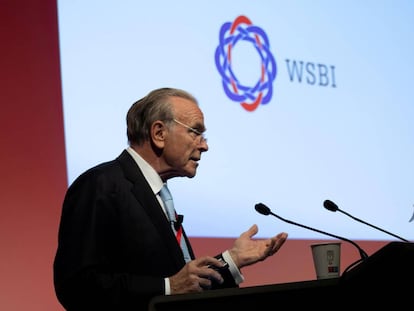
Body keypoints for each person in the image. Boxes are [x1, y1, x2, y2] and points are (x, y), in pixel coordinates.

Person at [53, 87, 288, 310]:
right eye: (195, 132)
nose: (204, 146)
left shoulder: (159, 195)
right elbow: (77, 286)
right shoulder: (100, 184)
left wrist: (232, 260)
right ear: (159, 133)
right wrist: (167, 287)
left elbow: (184, 285)